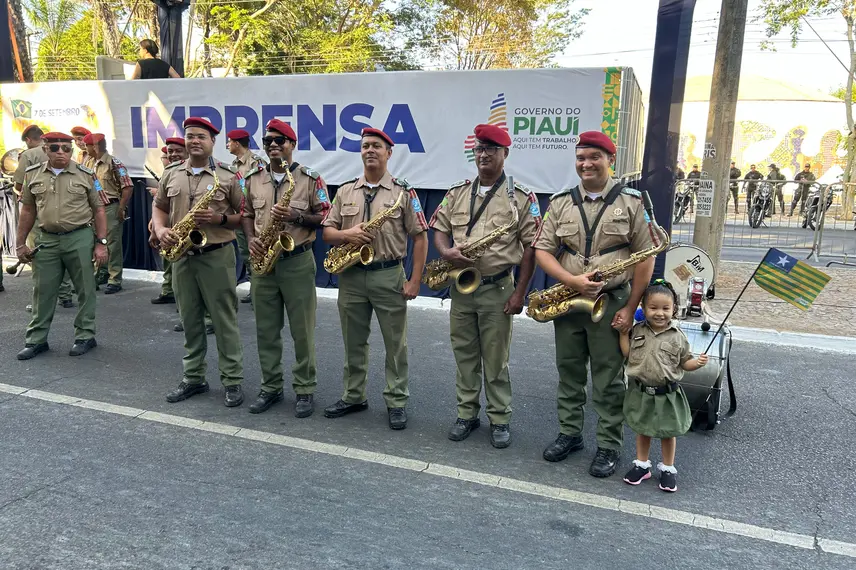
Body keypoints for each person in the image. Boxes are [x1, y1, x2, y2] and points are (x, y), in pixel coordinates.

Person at [533, 131, 656, 478]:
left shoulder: (632, 202)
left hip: (612, 300)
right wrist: (571, 282)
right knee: (569, 372)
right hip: (570, 299)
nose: (586, 163)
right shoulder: (560, 202)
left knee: (608, 378)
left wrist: (630, 308)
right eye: (580, 157)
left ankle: (608, 444)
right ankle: (570, 434)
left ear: (610, 160)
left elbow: (645, 258)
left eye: (594, 157)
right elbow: (542, 249)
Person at [428, 124, 540, 448]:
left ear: (505, 153)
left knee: (495, 359)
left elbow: (531, 247)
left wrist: (520, 292)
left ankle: (500, 418)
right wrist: (445, 250)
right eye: (479, 148)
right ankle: (466, 413)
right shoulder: (458, 192)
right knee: (464, 355)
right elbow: (438, 227)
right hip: (462, 288)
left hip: (497, 287)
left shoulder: (521, 198)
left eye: (491, 149)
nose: (483, 154)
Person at [321, 127, 429, 430]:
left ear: (388, 152)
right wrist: (347, 234)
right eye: (366, 145)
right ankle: (353, 395)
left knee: (396, 344)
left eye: (376, 146)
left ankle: (396, 400)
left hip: (388, 275)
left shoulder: (403, 193)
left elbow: (420, 238)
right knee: (353, 341)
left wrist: (415, 280)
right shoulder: (345, 191)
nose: (370, 150)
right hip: (351, 275)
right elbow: (328, 232)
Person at [152, 117, 245, 407]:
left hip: (216, 255)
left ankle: (232, 380)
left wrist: (219, 219)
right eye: (190, 136)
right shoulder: (170, 173)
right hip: (182, 257)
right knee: (190, 321)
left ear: (212, 142)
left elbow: (245, 217)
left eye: (201, 137)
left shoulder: (229, 176)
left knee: (224, 321)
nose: (194, 141)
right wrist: (161, 228)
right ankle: (194, 378)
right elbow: (159, 206)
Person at [241, 119, 331, 416]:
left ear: (292, 145)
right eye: (268, 142)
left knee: (302, 331)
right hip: (263, 263)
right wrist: (252, 238)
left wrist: (296, 216)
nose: (273, 146)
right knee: (266, 330)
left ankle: (304, 389)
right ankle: (271, 387)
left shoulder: (310, 178)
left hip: (297, 261)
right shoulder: (252, 177)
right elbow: (245, 213)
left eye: (280, 141)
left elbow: (327, 219)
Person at [15, 132, 108, 360]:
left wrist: (101, 243)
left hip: (79, 237)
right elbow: (27, 210)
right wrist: (20, 244)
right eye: (55, 148)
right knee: (42, 290)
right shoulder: (32, 174)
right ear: (45, 149)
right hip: (46, 239)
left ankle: (85, 336)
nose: (61, 152)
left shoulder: (86, 174)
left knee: (85, 289)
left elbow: (99, 210)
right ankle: (36, 340)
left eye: (66, 148)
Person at [620, 280, 708, 492]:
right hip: (642, 391)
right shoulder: (637, 330)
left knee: (668, 432)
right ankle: (642, 465)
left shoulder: (678, 337)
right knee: (643, 429)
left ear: (674, 309)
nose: (660, 313)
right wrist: (623, 334)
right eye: (653, 308)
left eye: (666, 308)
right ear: (643, 307)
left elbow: (684, 361)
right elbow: (628, 355)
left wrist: (696, 364)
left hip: (667, 394)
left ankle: (668, 468)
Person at [13, 124, 76, 309]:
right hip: (61, 211)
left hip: (37, 211)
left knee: (38, 257)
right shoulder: (66, 153)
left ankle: (41, 300)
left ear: (28, 140)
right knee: (63, 252)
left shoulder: (28, 155)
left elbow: (19, 184)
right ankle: (65, 295)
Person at [83, 133, 133, 294]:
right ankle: (101, 274)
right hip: (92, 208)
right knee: (93, 242)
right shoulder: (88, 162)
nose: (85, 149)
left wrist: (121, 208)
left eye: (87, 145)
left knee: (112, 243)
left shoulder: (114, 163)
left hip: (110, 206)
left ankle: (115, 278)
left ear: (95, 146)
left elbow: (127, 186)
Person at [227, 128, 267, 303]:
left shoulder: (256, 163)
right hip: (239, 214)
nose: (227, 145)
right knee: (245, 252)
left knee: (256, 251)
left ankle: (261, 288)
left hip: (253, 215)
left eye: (229, 142)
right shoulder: (234, 164)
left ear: (236, 143)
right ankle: (254, 287)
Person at [151, 137, 187, 305]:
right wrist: (155, 229)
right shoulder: (168, 172)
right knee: (169, 263)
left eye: (178, 151)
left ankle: (207, 319)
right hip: (170, 229)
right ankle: (170, 293)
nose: (173, 155)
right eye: (170, 151)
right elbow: (160, 204)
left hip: (189, 230)